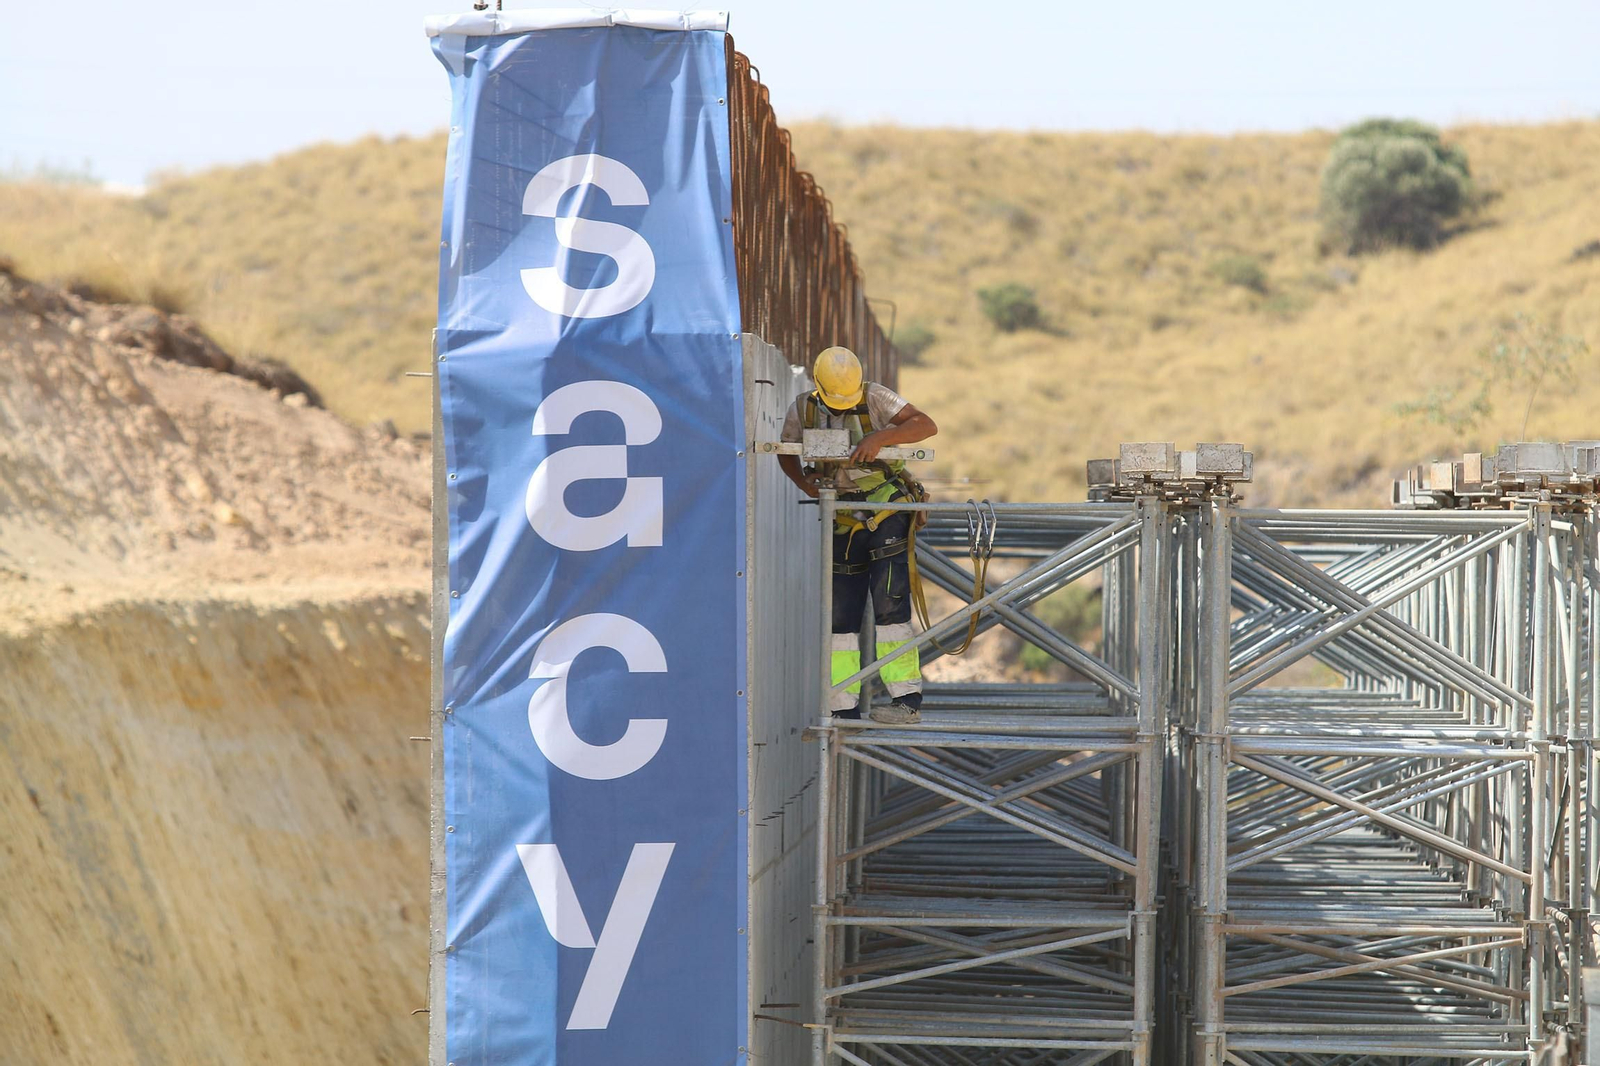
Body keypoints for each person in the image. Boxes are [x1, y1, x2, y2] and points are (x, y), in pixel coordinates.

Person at [778, 346, 938, 724]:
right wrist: (805, 483)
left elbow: (925, 425)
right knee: (840, 618)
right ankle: (842, 705)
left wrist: (880, 437)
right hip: (845, 519)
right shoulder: (804, 408)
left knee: (890, 606)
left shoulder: (875, 397)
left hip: (886, 512)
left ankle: (906, 701)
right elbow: (785, 449)